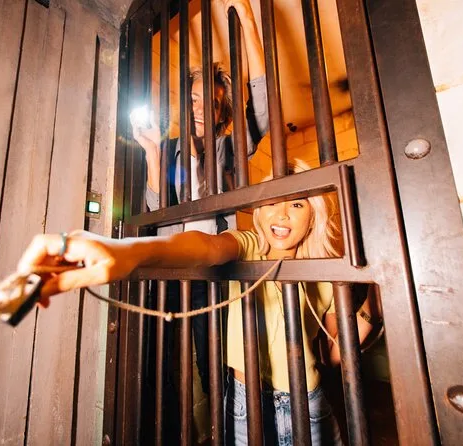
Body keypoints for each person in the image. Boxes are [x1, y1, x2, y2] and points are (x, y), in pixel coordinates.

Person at [8, 194, 377, 445]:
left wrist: (375, 302)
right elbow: (207, 246)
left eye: (296, 204)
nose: (280, 214)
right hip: (244, 400)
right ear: (259, 211)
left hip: (307, 404)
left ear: (313, 216)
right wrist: (129, 250)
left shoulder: (325, 272)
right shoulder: (250, 246)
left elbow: (337, 354)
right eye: (271, 202)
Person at [130, 0, 269, 397]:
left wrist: (247, 20)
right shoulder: (168, 147)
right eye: (192, 97)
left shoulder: (228, 148)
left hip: (212, 272)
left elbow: (262, 106)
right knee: (160, 371)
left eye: (209, 99)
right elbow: (155, 212)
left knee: (214, 368)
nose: (199, 106)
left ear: (221, 109)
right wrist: (152, 154)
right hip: (169, 271)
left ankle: (224, 421)